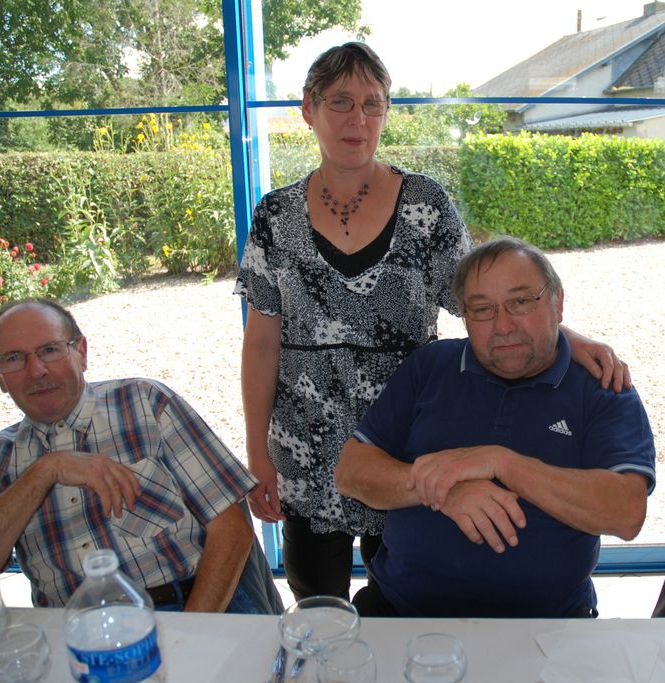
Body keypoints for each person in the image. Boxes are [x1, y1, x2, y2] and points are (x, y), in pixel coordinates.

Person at [236, 42, 630, 602]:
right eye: (341, 102)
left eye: (373, 104)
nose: (358, 119)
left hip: (402, 438)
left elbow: (481, 303)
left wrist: (567, 337)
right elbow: (261, 345)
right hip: (305, 443)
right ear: (308, 109)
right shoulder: (275, 216)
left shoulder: (426, 205)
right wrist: (257, 455)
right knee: (316, 600)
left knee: (404, 589)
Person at [334, 236, 655, 617]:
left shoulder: (601, 386)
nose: (503, 326)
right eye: (482, 309)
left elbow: (625, 513)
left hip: (546, 626)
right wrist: (444, 490)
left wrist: (502, 463)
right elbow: (351, 473)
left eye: (520, 302)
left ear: (558, 302)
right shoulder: (432, 367)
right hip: (403, 611)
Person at [0, 298, 280, 614]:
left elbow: (232, 530)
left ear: (82, 352)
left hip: (183, 607)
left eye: (50, 350)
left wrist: (188, 633)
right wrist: (44, 472)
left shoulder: (145, 403)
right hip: (71, 635)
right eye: (14, 359)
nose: (36, 370)